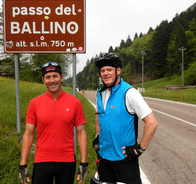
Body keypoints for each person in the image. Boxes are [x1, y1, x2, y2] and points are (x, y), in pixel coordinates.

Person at [93, 53, 158, 184]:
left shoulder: (130, 93)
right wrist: (98, 137)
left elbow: (152, 123)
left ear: (118, 71)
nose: (105, 73)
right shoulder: (100, 93)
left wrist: (139, 149)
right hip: (104, 158)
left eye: (109, 70)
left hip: (124, 160)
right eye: (102, 70)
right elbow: (100, 117)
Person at [19, 61, 88, 184]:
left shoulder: (75, 102)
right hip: (42, 161)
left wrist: (83, 162)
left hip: (67, 161)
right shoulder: (35, 103)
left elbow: (81, 133)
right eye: (48, 77)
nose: (52, 80)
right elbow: (29, 134)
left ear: (61, 77)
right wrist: (22, 164)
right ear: (43, 80)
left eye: (55, 76)